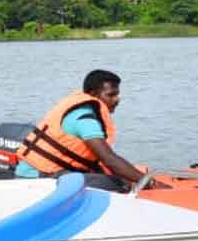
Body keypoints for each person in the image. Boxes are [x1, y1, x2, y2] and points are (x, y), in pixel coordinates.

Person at [15, 69, 160, 192]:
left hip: (41, 172)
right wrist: (149, 183)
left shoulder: (82, 108)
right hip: (38, 177)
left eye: (117, 94)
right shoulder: (84, 119)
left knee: (115, 177)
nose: (117, 99)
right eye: (111, 95)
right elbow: (109, 159)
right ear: (93, 94)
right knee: (121, 184)